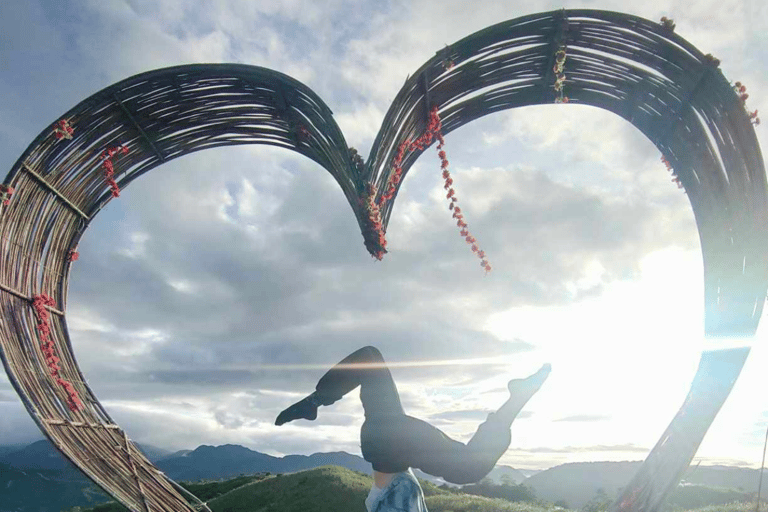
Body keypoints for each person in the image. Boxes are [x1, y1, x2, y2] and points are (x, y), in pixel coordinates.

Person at [275, 346, 550, 512]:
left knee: (471, 466)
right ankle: (315, 401)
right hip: (385, 439)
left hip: (390, 444)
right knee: (370, 358)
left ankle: (518, 397)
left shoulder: (393, 505)